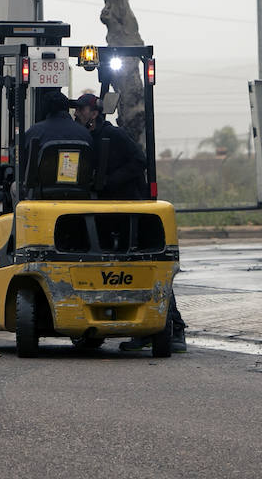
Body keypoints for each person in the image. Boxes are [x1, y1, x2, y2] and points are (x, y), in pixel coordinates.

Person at [73, 92, 187, 354]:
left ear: (95, 112)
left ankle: (174, 329)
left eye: (82, 109)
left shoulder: (114, 135)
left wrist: (111, 181)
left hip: (134, 212)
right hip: (112, 213)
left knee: (143, 270)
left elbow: (140, 160)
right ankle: (141, 328)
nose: (77, 114)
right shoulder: (88, 137)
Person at [19, 90, 93, 183]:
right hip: (77, 191)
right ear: (67, 108)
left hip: (41, 191)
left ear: (44, 109)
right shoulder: (85, 134)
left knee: (15, 187)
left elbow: (23, 163)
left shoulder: (34, 132)